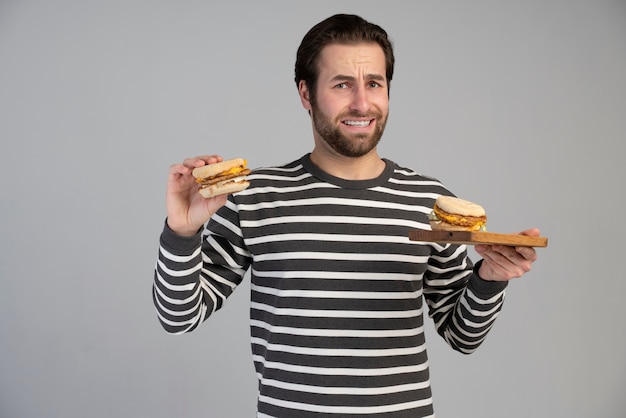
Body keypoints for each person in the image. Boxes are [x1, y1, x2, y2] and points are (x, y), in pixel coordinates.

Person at [153, 13, 539, 418]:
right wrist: (182, 231)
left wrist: (490, 278)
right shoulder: (254, 198)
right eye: (342, 84)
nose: (361, 102)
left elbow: (462, 336)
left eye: (374, 83)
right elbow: (178, 317)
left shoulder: (431, 202)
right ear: (306, 94)